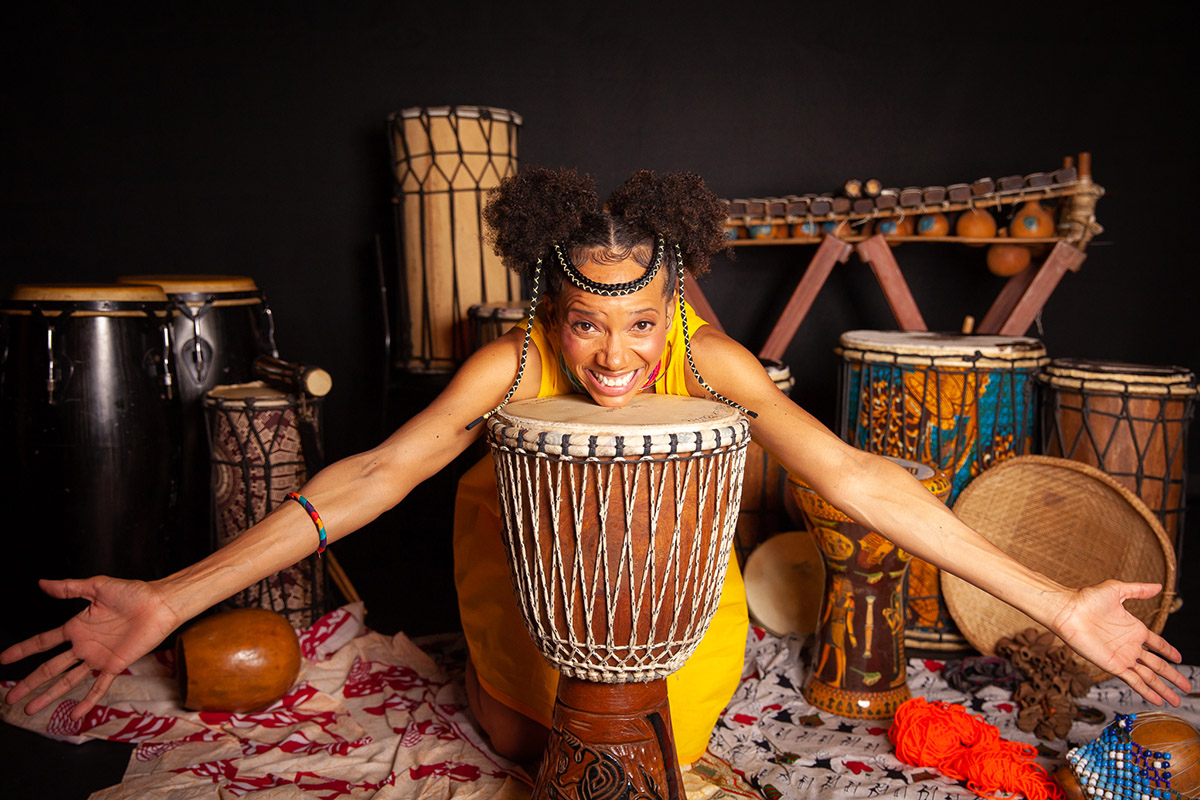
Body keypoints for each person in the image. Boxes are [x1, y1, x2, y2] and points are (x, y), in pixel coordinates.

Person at [1, 167, 1191, 770]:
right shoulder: (511, 362)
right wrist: (171, 598)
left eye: (639, 323)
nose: (615, 358)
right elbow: (373, 474)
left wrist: (1056, 604)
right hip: (527, 608)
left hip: (672, 620)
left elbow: (858, 477)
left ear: (674, 305)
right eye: (585, 323)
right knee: (528, 752)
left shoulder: (710, 358)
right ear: (548, 309)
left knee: (664, 747)